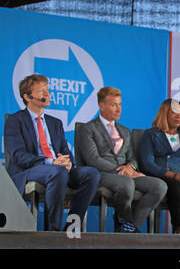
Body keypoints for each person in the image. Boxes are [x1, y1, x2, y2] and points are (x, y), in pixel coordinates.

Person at [4, 74, 100, 231]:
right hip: (29, 169)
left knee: (91, 174)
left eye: (47, 90)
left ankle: (71, 227)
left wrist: (67, 161)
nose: (48, 94)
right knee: (57, 172)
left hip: (57, 168)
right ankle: (53, 231)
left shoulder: (55, 123)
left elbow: (64, 150)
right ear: (27, 96)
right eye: (42, 91)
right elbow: (18, 154)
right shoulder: (15, 120)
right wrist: (51, 162)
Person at [77, 87, 167, 233]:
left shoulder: (125, 131)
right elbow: (92, 159)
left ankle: (130, 226)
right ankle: (126, 223)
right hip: (102, 174)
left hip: (126, 175)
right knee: (127, 182)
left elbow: (132, 157)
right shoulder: (87, 129)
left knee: (159, 186)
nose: (118, 109)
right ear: (101, 106)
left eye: (120, 104)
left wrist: (130, 166)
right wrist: (120, 172)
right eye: (114, 105)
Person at [139, 99, 180, 234]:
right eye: (174, 113)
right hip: (161, 175)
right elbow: (147, 164)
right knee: (177, 190)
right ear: (164, 114)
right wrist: (173, 175)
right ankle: (177, 226)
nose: (179, 117)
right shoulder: (151, 135)